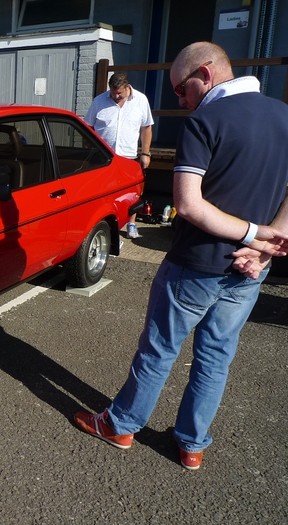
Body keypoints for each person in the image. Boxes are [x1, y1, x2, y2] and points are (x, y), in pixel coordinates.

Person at [73, 42, 288, 471]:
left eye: (180, 88)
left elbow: (188, 205)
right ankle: (192, 444)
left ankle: (121, 425)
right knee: (216, 356)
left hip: (195, 265)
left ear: (205, 75)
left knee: (159, 350)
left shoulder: (205, 120)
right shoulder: (284, 116)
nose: (180, 98)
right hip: (250, 270)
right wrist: (266, 247)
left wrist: (257, 234)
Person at [85, 72, 154, 239]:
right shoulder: (99, 101)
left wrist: (145, 152)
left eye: (119, 93)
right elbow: (88, 128)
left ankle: (131, 224)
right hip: (104, 157)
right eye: (113, 92)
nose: (115, 96)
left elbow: (146, 128)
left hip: (128, 157)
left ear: (127, 87)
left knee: (131, 193)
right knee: (103, 193)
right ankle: (105, 224)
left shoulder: (141, 100)